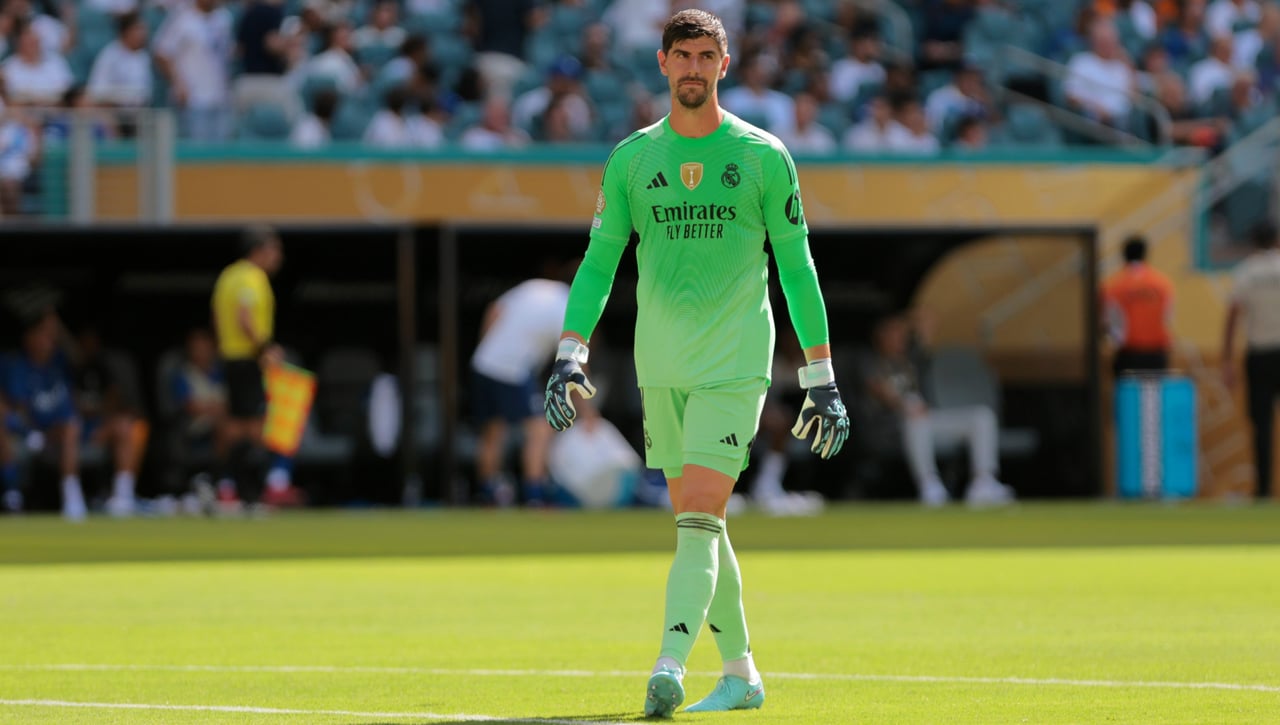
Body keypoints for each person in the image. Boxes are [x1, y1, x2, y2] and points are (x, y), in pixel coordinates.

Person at [542, 10, 850, 718]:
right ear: (660, 63)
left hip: (735, 362)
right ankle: (741, 673)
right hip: (663, 366)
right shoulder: (631, 159)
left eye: (705, 55)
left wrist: (819, 374)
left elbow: (798, 269)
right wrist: (569, 351)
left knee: (700, 518)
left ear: (725, 63)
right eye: (681, 54)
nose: (692, 67)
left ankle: (668, 664)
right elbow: (597, 264)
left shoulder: (764, 155)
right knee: (698, 522)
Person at [862, 312, 1014, 507]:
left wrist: (911, 324)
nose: (899, 337)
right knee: (916, 419)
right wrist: (905, 405)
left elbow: (928, 320)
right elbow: (879, 390)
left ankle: (984, 482)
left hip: (925, 423)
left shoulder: (912, 359)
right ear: (880, 335)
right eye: (893, 332)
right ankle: (929, 485)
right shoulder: (869, 361)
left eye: (902, 332)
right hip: (890, 428)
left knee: (982, 417)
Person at [210, 225, 302, 509]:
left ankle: (229, 486)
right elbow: (244, 316)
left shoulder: (228, 276)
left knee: (237, 422)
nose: (278, 257)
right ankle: (251, 488)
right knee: (254, 426)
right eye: (275, 250)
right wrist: (266, 349)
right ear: (258, 251)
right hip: (248, 359)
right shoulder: (252, 277)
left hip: (231, 357)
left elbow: (217, 317)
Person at [470, 263, 574, 506]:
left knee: (492, 433)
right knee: (540, 430)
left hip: (483, 362)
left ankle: (488, 495)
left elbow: (494, 311)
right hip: (512, 369)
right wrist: (588, 410)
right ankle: (534, 496)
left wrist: (489, 346)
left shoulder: (533, 287)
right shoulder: (566, 305)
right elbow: (573, 355)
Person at [0, 309, 88, 520]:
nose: (47, 342)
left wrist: (59, 328)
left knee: (71, 426)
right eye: (42, 335)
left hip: (53, 435)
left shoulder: (59, 362)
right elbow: (17, 406)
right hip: (23, 433)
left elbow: (81, 359)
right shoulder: (16, 363)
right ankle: (13, 496)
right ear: (28, 337)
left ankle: (72, 499)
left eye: (51, 337)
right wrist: (28, 432)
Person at [1221, 221, 1280, 500]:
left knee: (1261, 424)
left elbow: (1233, 315)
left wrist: (1227, 359)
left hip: (1260, 354)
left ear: (1253, 242)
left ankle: (1264, 490)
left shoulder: (1246, 272)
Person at [69, 326, 147, 517]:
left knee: (126, 426)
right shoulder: (67, 370)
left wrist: (102, 423)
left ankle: (123, 496)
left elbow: (113, 400)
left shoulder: (103, 371)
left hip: (98, 429)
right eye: (84, 344)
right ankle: (72, 499)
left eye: (92, 344)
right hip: (70, 430)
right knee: (69, 430)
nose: (89, 348)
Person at [1102, 235, 1174, 375]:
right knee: (1154, 395)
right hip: (1157, 353)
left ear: (1123, 255)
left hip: (1129, 353)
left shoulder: (1115, 285)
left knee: (1129, 395)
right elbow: (1168, 317)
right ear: (1145, 254)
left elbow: (1109, 322)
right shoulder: (1163, 284)